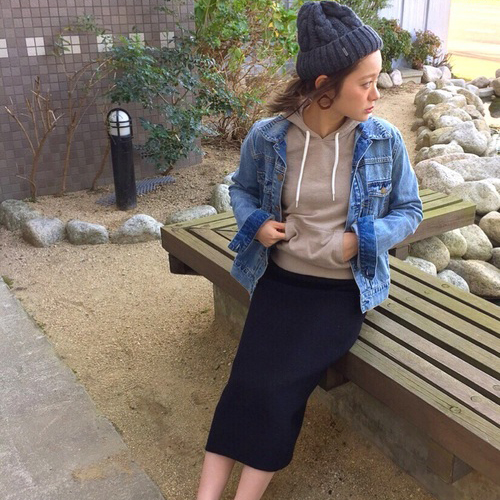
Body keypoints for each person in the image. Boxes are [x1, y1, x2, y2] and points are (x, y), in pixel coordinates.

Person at [196, 2, 423, 499]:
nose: (377, 94)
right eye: (366, 83)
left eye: (377, 80)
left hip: (340, 293)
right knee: (245, 385)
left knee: (279, 393)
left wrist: (363, 239)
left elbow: (410, 211)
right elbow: (241, 190)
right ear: (325, 84)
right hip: (279, 281)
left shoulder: (383, 141)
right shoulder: (269, 136)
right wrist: (256, 223)